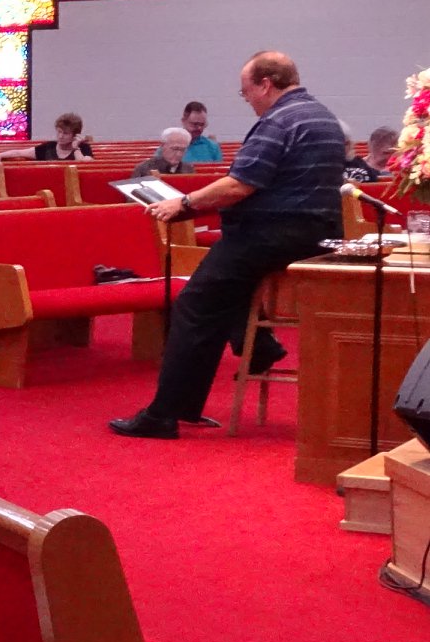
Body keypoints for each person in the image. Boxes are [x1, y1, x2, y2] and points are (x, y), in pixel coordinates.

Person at [110, 51, 347, 439]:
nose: (247, 100)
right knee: (226, 289)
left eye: (246, 91)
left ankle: (164, 414)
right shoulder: (323, 117)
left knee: (194, 304)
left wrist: (184, 204)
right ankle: (258, 346)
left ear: (266, 84)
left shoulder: (279, 120)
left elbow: (240, 184)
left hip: (271, 235)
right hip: (317, 235)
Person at [0, 112, 93, 162]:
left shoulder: (83, 148)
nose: (60, 136)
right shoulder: (48, 147)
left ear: (74, 135)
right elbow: (19, 152)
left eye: (65, 133)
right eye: (59, 131)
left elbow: (84, 165)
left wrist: (75, 148)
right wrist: (0, 155)